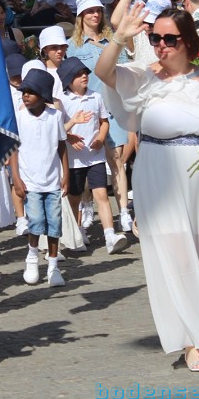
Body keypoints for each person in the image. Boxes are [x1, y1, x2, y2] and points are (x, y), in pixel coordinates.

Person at [95, 3, 199, 370]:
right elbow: (103, 71)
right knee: (178, 260)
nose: (162, 45)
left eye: (170, 38)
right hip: (158, 174)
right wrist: (120, 37)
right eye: (156, 38)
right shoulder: (143, 76)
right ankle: (192, 341)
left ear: (189, 42)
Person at [67, 0, 132, 233]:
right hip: (87, 111)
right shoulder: (72, 46)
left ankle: (123, 210)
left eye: (98, 11)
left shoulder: (112, 40)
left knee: (117, 161)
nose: (95, 15)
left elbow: (124, 69)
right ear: (81, 16)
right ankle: (86, 205)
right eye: (90, 11)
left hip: (112, 107)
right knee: (85, 164)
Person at [58, 57, 126, 254]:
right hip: (73, 159)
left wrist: (101, 138)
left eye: (85, 73)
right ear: (69, 79)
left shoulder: (96, 97)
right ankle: (76, 232)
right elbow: (59, 129)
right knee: (74, 197)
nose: (84, 77)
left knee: (101, 194)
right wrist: (69, 138)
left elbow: (104, 121)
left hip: (95, 156)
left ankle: (109, 234)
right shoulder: (62, 101)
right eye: (79, 74)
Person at [11, 69, 68, 288]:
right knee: (35, 221)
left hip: (52, 180)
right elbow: (14, 149)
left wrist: (66, 174)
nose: (25, 96)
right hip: (30, 181)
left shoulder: (55, 117)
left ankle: (53, 266)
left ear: (43, 95)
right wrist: (16, 177)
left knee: (54, 224)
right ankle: (32, 258)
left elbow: (62, 146)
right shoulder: (19, 117)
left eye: (30, 92)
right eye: (23, 91)